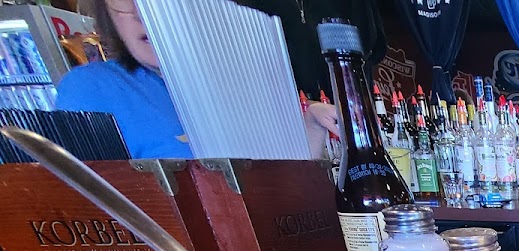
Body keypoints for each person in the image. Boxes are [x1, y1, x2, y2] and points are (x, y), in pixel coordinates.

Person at [56, 0, 338, 160]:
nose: (142, 13)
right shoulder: (91, 89)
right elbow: (91, 219)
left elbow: (282, 190)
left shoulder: (241, 81)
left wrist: (311, 126)